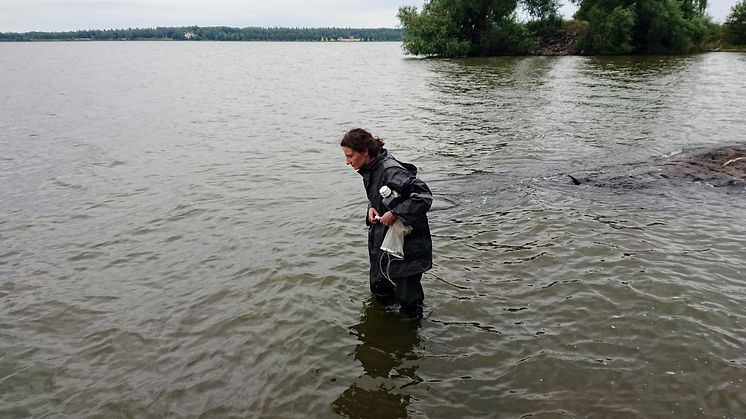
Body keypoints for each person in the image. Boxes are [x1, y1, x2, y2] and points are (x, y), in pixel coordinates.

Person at [341, 128, 433, 319]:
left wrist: (395, 213)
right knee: (380, 292)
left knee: (409, 304)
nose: (347, 162)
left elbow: (423, 196)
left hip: (407, 248)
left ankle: (410, 336)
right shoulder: (371, 168)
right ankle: (384, 328)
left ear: (365, 152)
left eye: (350, 156)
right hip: (383, 244)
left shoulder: (391, 170)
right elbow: (383, 194)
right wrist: (371, 207)